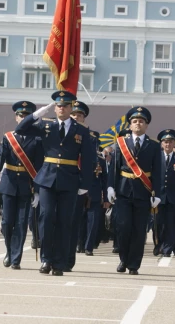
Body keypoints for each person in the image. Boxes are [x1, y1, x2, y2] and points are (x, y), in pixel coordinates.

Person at [15, 91, 94, 276]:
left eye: (65, 105)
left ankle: (59, 263)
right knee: (46, 218)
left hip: (70, 179)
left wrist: (85, 183)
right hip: (47, 178)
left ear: (71, 107)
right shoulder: (45, 124)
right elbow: (21, 129)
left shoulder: (81, 129)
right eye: (58, 105)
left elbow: (88, 159)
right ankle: (46, 259)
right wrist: (38, 113)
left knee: (64, 222)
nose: (61, 108)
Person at [108, 106, 162, 275]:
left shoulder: (153, 146)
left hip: (143, 192)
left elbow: (158, 171)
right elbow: (114, 167)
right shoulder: (121, 143)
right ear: (130, 125)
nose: (138, 124)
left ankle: (134, 264)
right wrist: (110, 186)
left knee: (139, 230)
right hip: (123, 191)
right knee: (123, 228)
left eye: (141, 121)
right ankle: (123, 259)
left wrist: (157, 194)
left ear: (147, 125)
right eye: (134, 121)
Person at [0, 101, 42, 269]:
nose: (23, 118)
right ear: (16, 117)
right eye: (20, 115)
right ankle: (9, 250)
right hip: (9, 182)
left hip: (27, 184)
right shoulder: (9, 137)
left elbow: (40, 164)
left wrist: (38, 190)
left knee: (21, 223)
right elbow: (0, 156)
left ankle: (15, 258)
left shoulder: (38, 137)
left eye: (27, 115)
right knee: (6, 223)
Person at [67, 100, 97, 270]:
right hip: (63, 180)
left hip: (80, 183)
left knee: (76, 219)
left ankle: (74, 251)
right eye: (74, 114)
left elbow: (90, 161)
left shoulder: (90, 137)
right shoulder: (60, 131)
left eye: (79, 115)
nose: (76, 117)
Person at [154, 129, 175, 257]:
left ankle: (167, 248)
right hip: (158, 197)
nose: (168, 144)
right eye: (165, 142)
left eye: (170, 142)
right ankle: (159, 245)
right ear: (162, 144)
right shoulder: (156, 158)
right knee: (158, 224)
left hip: (173, 198)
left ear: (174, 144)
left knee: (171, 224)